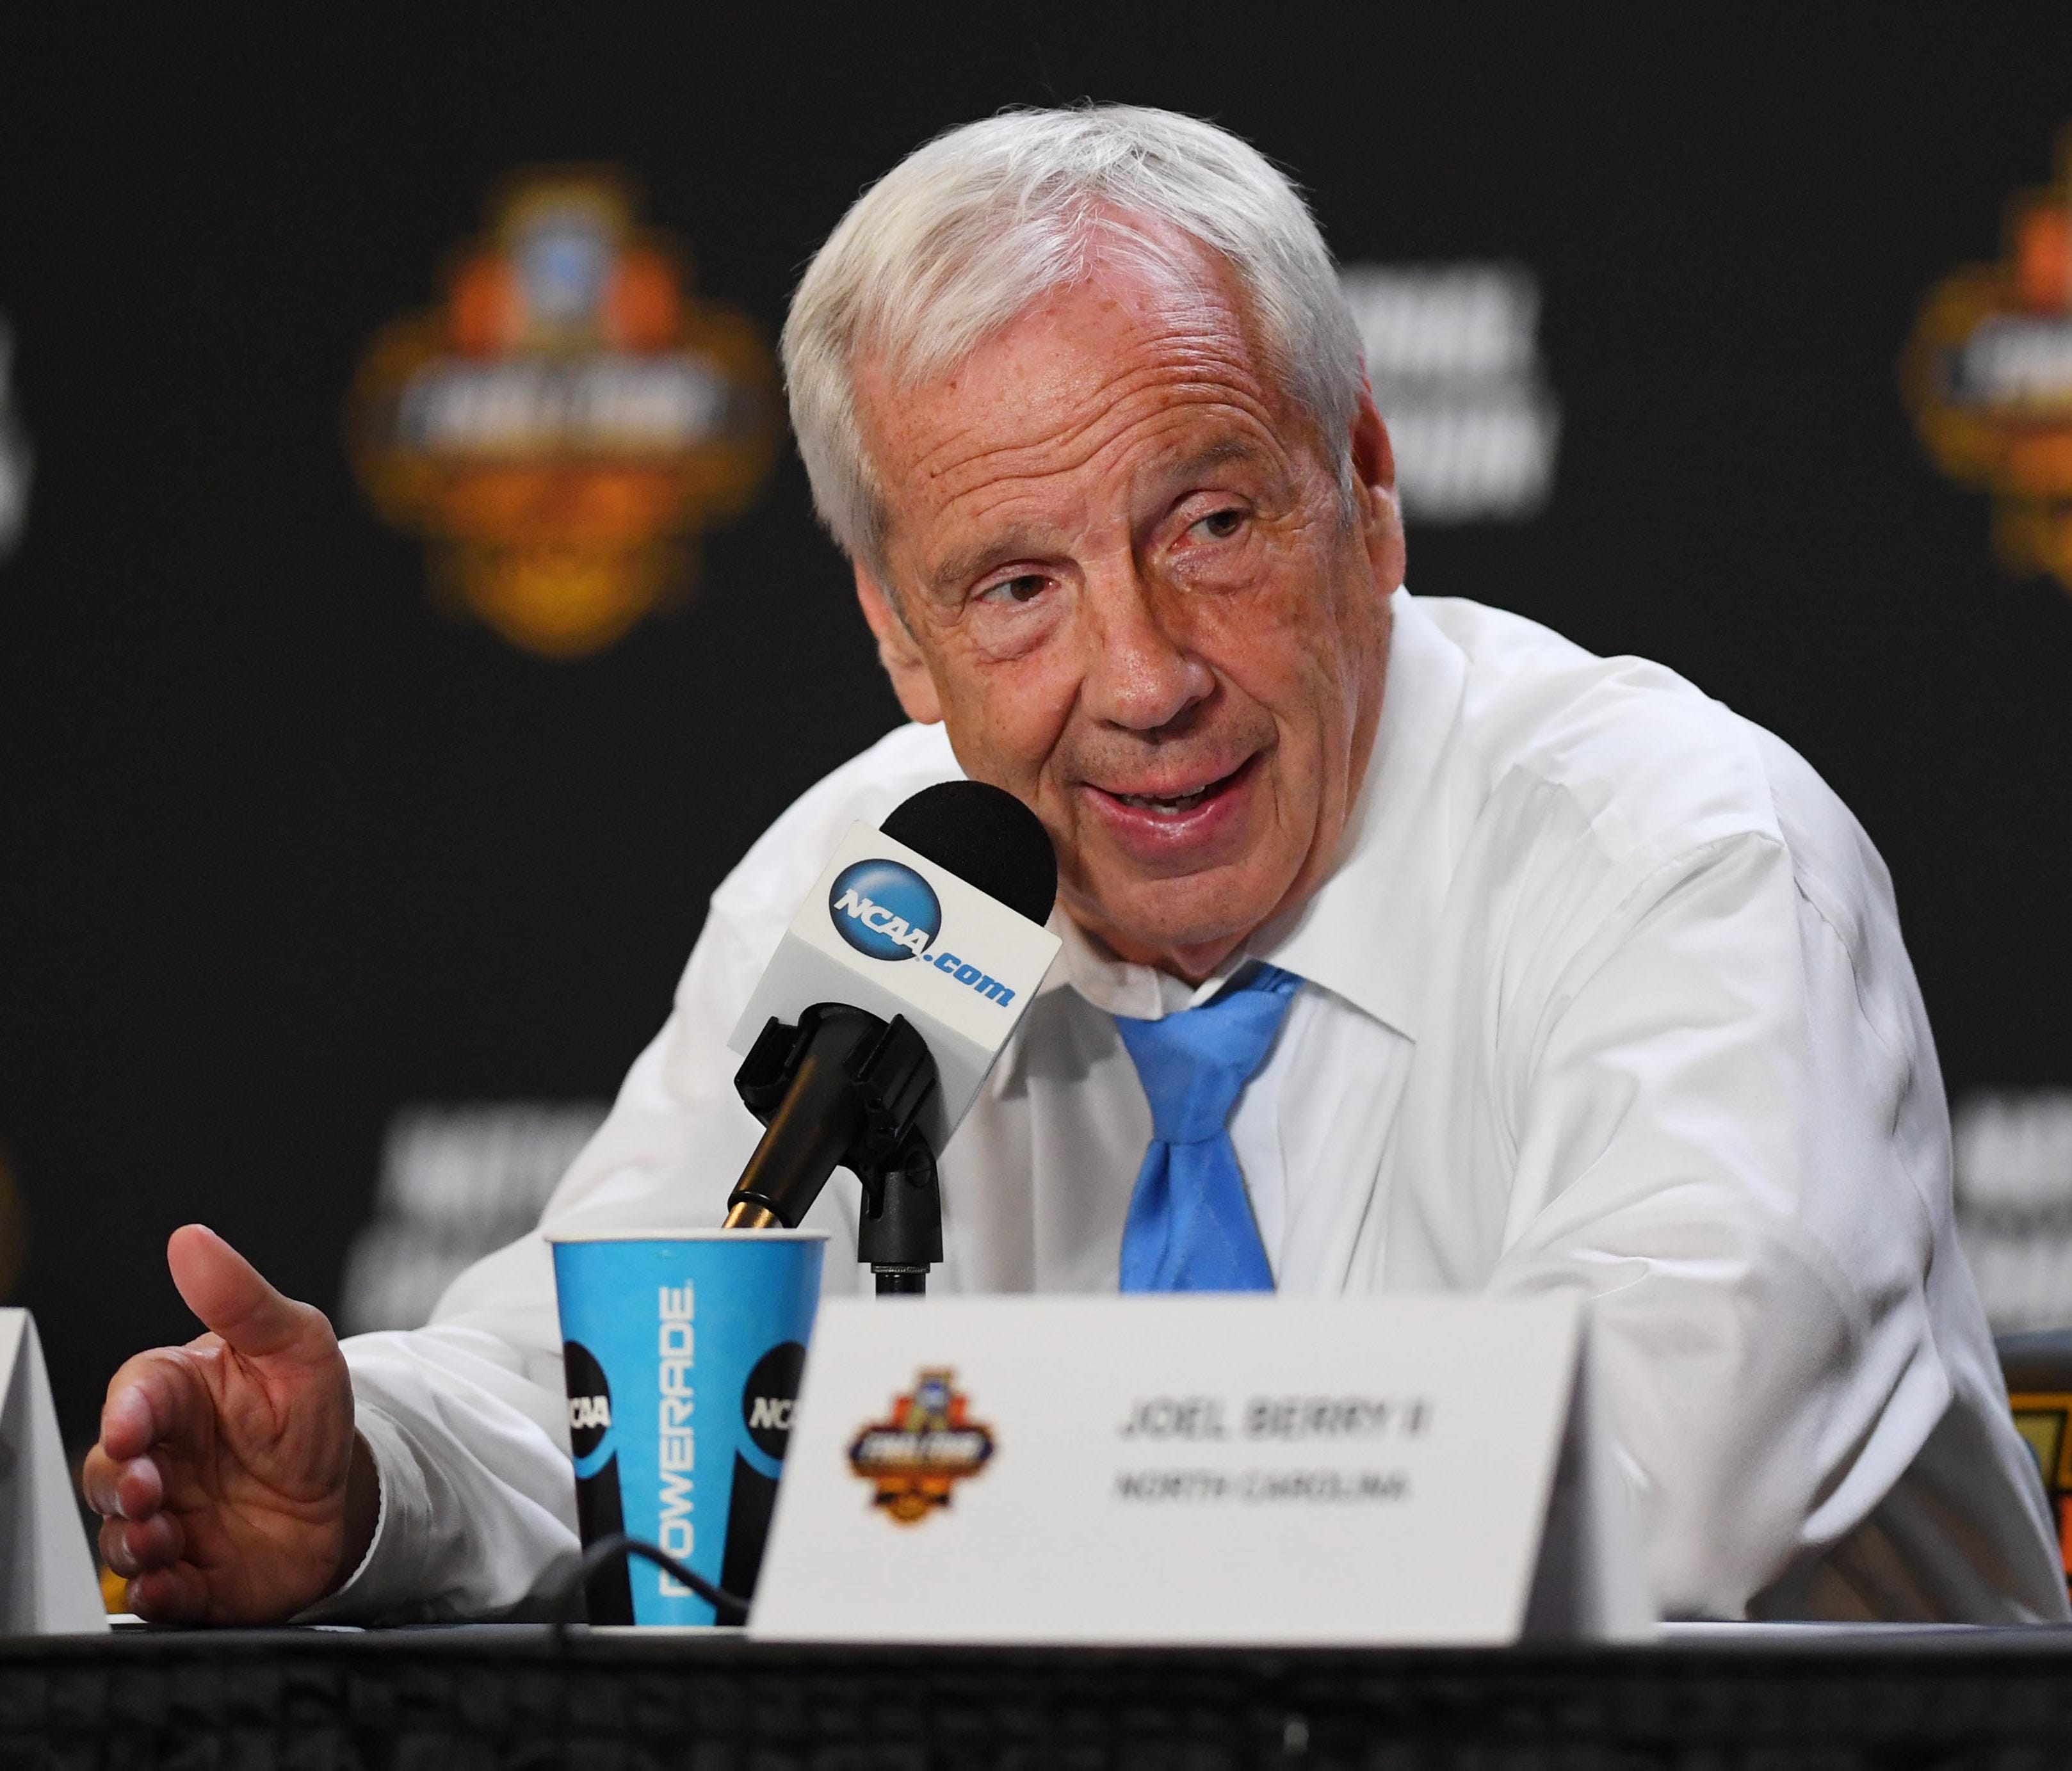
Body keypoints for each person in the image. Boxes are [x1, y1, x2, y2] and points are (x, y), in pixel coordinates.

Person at [83, 105, 2068, 1626]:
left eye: (1209, 523)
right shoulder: (877, 884)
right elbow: (616, 1383)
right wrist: (368, 1483)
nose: (1142, 680)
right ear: (897, 635)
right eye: (1016, 589)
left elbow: (1645, 1485)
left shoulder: (1678, 852)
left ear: (1364, 490)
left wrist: (980, 1501)